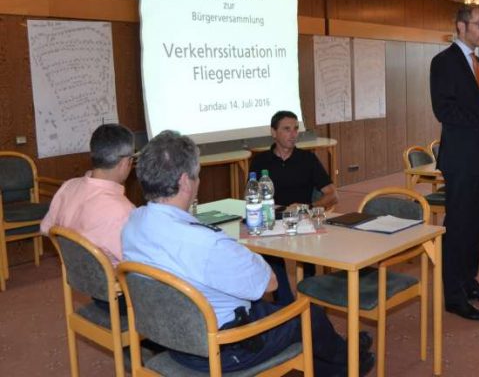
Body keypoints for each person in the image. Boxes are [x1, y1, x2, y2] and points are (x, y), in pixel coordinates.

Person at [122, 130, 374, 376]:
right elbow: (269, 283)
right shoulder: (206, 243)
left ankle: (345, 357)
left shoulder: (132, 224)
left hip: (170, 338)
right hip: (226, 348)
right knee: (310, 315)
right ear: (185, 181)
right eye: (197, 176)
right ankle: (352, 362)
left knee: (291, 320)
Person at [429, 5, 479, 321]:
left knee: (475, 226)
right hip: (461, 159)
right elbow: (445, 110)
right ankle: (453, 295)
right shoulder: (444, 62)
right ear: (461, 26)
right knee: (459, 228)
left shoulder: (478, 63)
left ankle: (468, 283)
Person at [250, 110, 337, 305]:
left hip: (302, 219)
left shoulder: (307, 159)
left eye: (296, 129)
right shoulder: (260, 162)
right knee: (268, 253)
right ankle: (284, 304)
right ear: (274, 132)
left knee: (308, 253)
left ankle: (309, 298)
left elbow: (332, 194)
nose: (293, 134)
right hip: (271, 220)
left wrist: (308, 207)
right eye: (287, 129)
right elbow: (252, 195)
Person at [41, 123, 135, 266]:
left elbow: (46, 228)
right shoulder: (123, 210)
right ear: (124, 162)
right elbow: (139, 262)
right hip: (113, 281)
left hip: (78, 275)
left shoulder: (68, 186)